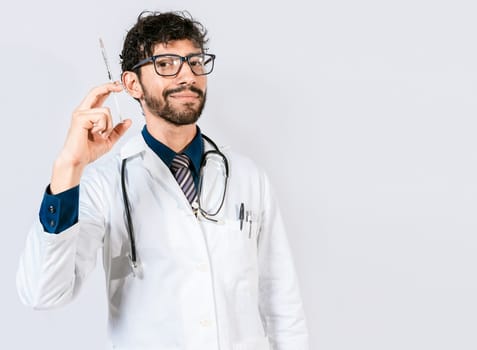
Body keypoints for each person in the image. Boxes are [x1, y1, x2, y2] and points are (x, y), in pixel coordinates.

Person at [16, 11, 309, 350]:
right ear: (131, 84)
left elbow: (282, 306)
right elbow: (42, 292)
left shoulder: (247, 177)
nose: (188, 75)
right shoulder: (103, 184)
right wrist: (68, 166)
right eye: (167, 63)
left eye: (195, 62)